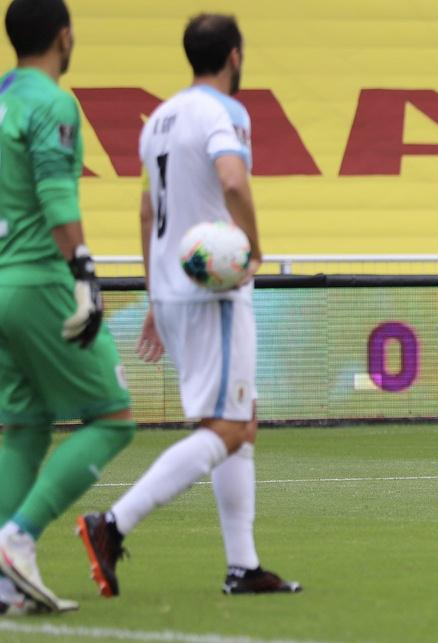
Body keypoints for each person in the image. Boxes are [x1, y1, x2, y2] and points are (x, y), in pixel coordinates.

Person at [76, 13, 299, 597]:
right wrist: (255, 246)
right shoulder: (223, 112)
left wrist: (154, 297)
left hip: (175, 288)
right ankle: (112, 523)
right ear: (233, 56)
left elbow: (148, 211)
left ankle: (243, 566)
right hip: (214, 291)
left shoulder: (160, 119)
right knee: (231, 424)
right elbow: (232, 181)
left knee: (234, 423)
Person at [0, 0, 136, 613]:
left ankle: (3, 582)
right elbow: (56, 195)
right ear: (64, 35)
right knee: (113, 417)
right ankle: (18, 539)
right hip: (38, 280)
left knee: (24, 428)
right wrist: (85, 274)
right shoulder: (53, 103)